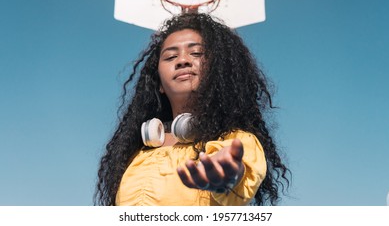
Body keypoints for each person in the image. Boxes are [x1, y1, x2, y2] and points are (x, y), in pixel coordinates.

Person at [95, 13, 290, 206]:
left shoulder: (235, 141)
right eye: (171, 56)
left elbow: (238, 175)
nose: (182, 61)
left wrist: (228, 173)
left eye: (196, 53)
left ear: (218, 71)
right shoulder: (135, 154)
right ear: (159, 84)